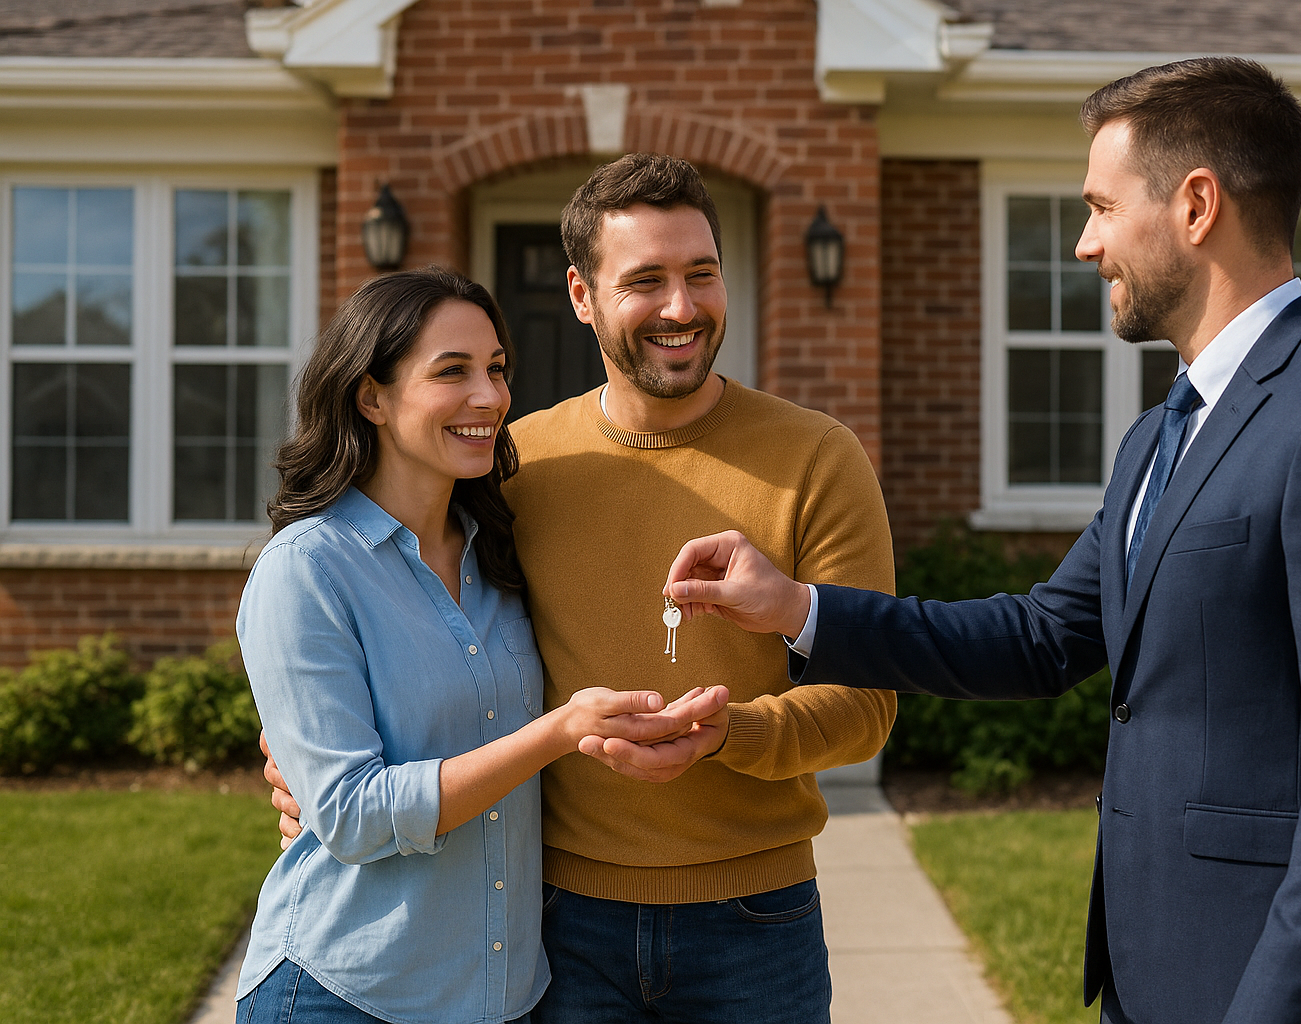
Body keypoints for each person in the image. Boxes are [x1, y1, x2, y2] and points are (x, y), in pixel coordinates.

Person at [664, 58, 1301, 1024]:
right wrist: (799, 608)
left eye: (1099, 205)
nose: (1085, 244)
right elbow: (1044, 637)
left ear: (1197, 205)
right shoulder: (1160, 433)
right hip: (1153, 969)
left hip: (1285, 984)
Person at [268, 155, 897, 1023]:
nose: (681, 307)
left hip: (758, 919)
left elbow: (867, 708)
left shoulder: (819, 459)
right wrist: (302, 764)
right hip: (557, 924)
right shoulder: (511, 464)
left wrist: (730, 734)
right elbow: (379, 615)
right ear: (581, 295)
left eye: (701, 275)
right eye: (646, 280)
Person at [236, 267, 724, 1024]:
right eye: (452, 372)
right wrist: (558, 733)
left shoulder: (498, 553)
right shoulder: (307, 570)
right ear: (370, 396)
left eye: (496, 369)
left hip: (503, 998)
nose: (490, 397)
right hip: (347, 995)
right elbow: (353, 815)